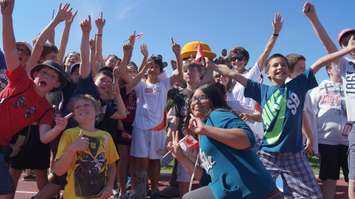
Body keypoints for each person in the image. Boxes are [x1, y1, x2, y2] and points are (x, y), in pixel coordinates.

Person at [211, 42, 355, 198]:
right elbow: (240, 78)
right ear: (267, 73)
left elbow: (320, 63)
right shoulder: (262, 90)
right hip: (268, 154)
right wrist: (228, 72)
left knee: (312, 195)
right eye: (275, 65)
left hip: (294, 154)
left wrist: (346, 51)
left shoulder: (298, 85)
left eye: (283, 65)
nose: (280, 67)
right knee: (253, 191)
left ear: (288, 71)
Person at [0, 0, 69, 198]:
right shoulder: (20, 80)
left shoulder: (45, 108)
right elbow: (29, 46)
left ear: (56, 85)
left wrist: (58, 127)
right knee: (5, 191)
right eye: (43, 73)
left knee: (5, 192)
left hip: (3, 145)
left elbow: (44, 137)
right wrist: (6, 16)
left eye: (52, 76)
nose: (46, 77)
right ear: (35, 73)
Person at [169, 83, 281, 199]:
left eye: (202, 97)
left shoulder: (218, 115)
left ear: (213, 100)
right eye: (193, 99)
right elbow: (207, 179)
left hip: (254, 192)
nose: (196, 102)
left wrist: (205, 129)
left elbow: (247, 139)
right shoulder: (204, 130)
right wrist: (180, 157)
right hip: (232, 193)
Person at [303, 2, 355, 198]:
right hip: (334, 140)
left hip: (349, 136)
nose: (352, 43)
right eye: (347, 42)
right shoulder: (344, 64)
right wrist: (314, 19)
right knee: (333, 179)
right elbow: (326, 44)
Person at [126, 39, 182, 199]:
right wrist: (143, 60)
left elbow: (178, 74)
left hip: (158, 128)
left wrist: (177, 54)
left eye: (156, 66)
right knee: (141, 161)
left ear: (159, 70)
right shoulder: (141, 84)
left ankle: (155, 190)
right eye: (150, 66)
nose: (153, 68)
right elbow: (127, 78)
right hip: (141, 128)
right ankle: (141, 190)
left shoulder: (164, 84)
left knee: (155, 161)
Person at [54, 94, 119, 199]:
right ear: (74, 116)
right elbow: (58, 170)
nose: (82, 108)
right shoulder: (69, 134)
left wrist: (110, 186)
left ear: (97, 111)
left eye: (87, 105)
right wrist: (72, 148)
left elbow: (112, 165)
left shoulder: (106, 136)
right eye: (77, 107)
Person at [308, 63, 348, 199]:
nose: (343, 68)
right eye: (338, 66)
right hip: (327, 142)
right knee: (329, 179)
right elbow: (309, 113)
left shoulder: (351, 87)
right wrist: (313, 141)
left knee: (353, 179)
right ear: (329, 70)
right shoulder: (318, 88)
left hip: (350, 142)